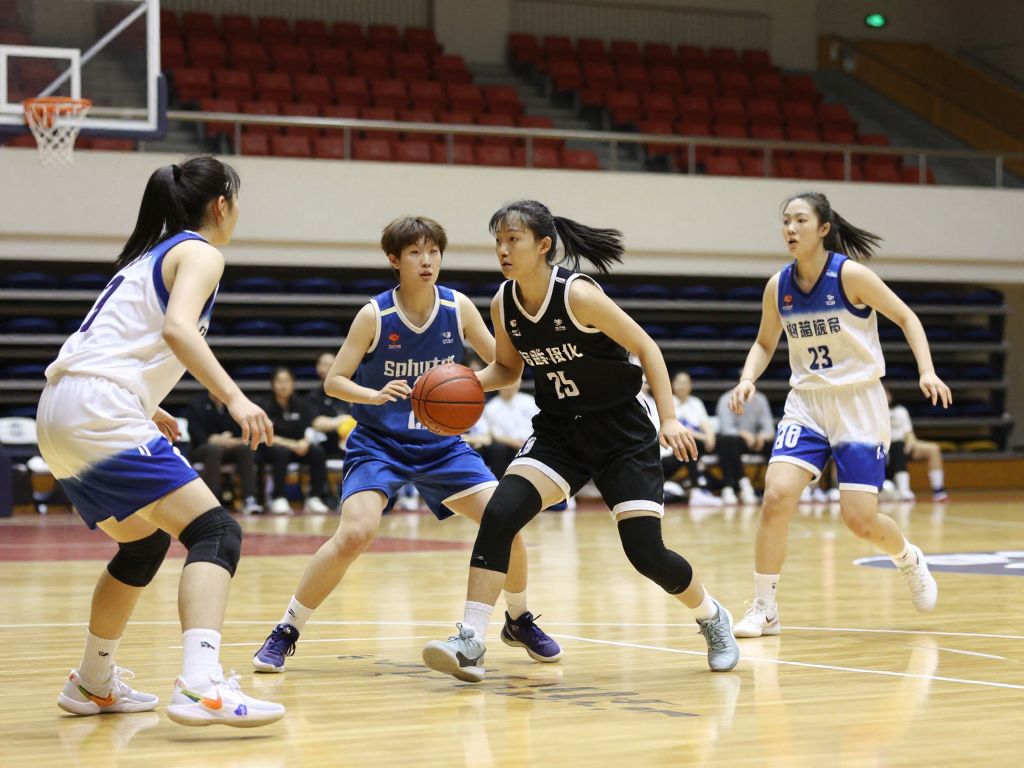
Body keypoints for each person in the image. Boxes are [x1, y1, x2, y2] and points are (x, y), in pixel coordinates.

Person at [421, 199, 739, 683]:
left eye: (514, 240)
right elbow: (509, 369)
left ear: (543, 245)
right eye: (499, 242)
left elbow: (646, 347)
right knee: (501, 513)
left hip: (621, 434)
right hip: (560, 433)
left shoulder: (577, 295)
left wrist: (670, 417)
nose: (503, 250)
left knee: (645, 554)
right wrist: (456, 386)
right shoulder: (503, 302)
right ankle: (470, 637)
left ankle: (712, 617)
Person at [35, 156, 284, 726]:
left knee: (143, 543)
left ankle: (93, 682)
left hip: (63, 408)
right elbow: (175, 329)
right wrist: (235, 397)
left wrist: (148, 404)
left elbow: (117, 344)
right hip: (98, 408)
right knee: (215, 531)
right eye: (237, 199)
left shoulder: (148, 257)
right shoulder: (200, 251)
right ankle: (201, 684)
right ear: (221, 204)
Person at [252, 216, 560, 673]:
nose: (427, 260)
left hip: (441, 445)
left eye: (434, 251)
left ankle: (517, 618)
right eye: (415, 252)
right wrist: (372, 395)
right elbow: (335, 381)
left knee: (505, 520)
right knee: (355, 533)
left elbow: (507, 370)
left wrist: (454, 384)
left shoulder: (458, 309)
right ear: (394, 260)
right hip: (378, 443)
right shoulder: (375, 315)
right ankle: (286, 629)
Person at [728, 191, 951, 638]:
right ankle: (765, 607)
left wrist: (927, 371)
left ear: (823, 228)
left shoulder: (850, 276)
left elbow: (906, 318)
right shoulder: (779, 287)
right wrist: (748, 377)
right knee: (775, 497)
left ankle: (908, 557)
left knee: (859, 519)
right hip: (807, 404)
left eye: (800, 221)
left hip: (858, 404)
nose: (790, 229)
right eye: (786, 221)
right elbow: (765, 343)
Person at [262, 366, 331, 515]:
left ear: (293, 383)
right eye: (279, 381)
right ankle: (278, 498)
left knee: (317, 452)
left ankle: (315, 497)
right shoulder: (265, 406)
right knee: (281, 453)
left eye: (287, 381)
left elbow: (309, 428)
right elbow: (264, 436)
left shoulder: (301, 404)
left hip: (297, 447)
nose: (283, 385)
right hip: (273, 448)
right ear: (273, 384)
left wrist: (305, 442)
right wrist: (291, 444)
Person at [185, 391, 263, 515]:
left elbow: (242, 432)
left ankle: (249, 499)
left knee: (245, 449)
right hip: (202, 449)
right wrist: (216, 439)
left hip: (228, 447)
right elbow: (196, 434)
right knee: (214, 449)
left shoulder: (232, 406)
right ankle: (214, 501)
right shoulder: (197, 404)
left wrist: (231, 440)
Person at [661, 372, 720, 506]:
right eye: (679, 382)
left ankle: (730, 487)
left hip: (695, 449)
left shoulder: (696, 403)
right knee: (688, 444)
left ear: (690, 386)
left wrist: (710, 436)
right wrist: (702, 436)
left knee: (723, 441)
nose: (682, 386)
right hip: (668, 456)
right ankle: (696, 490)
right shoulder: (666, 403)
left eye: (685, 382)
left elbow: (705, 424)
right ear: (672, 384)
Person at [886, 386, 949, 502]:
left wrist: (910, 443)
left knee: (933, 449)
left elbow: (908, 432)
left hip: (902, 446)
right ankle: (901, 489)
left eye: (887, 393)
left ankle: (938, 490)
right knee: (896, 447)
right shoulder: (872, 412)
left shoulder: (900, 411)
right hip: (882, 449)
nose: (885, 396)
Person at [714, 388, 774, 505]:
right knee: (726, 441)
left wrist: (762, 436)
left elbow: (769, 428)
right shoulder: (726, 398)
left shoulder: (761, 399)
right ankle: (736, 484)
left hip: (756, 440)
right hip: (735, 440)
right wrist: (743, 433)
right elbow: (726, 429)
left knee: (772, 444)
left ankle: (775, 485)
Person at [478, 378, 539, 478]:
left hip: (533, 442)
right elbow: (497, 436)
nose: (511, 386)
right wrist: (520, 445)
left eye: (515, 382)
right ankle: (500, 482)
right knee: (497, 449)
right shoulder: (491, 408)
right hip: (510, 447)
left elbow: (538, 426)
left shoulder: (529, 401)